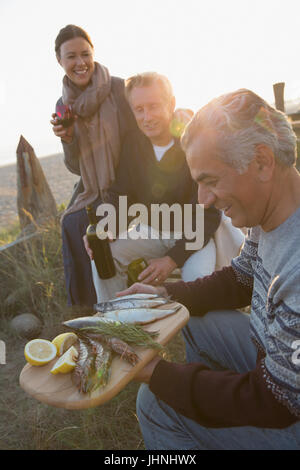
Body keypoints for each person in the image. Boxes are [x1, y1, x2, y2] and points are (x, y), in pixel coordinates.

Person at [117, 89, 300, 450]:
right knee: (194, 318)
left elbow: (277, 400)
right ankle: (214, 419)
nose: (203, 200)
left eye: (210, 181)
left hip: (286, 407)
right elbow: (240, 278)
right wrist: (167, 294)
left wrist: (159, 375)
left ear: (262, 161)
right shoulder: (271, 218)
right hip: (275, 372)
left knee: (156, 404)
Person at [85, 72, 235, 303]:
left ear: (171, 104)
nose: (147, 117)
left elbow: (209, 216)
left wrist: (171, 260)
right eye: (139, 109)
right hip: (152, 231)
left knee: (196, 284)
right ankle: (117, 322)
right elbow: (120, 193)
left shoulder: (194, 143)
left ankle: (197, 335)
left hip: (194, 237)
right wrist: (104, 227)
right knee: (105, 256)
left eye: (154, 106)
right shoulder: (133, 144)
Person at [51, 24, 137, 307]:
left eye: (85, 54)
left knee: (92, 220)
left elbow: (136, 147)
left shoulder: (119, 89)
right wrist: (69, 139)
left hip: (127, 180)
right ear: (59, 61)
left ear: (93, 53)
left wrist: (116, 193)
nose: (80, 63)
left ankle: (112, 302)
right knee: (71, 222)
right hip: (94, 184)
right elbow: (76, 168)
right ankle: (90, 307)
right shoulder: (64, 104)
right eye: (71, 56)